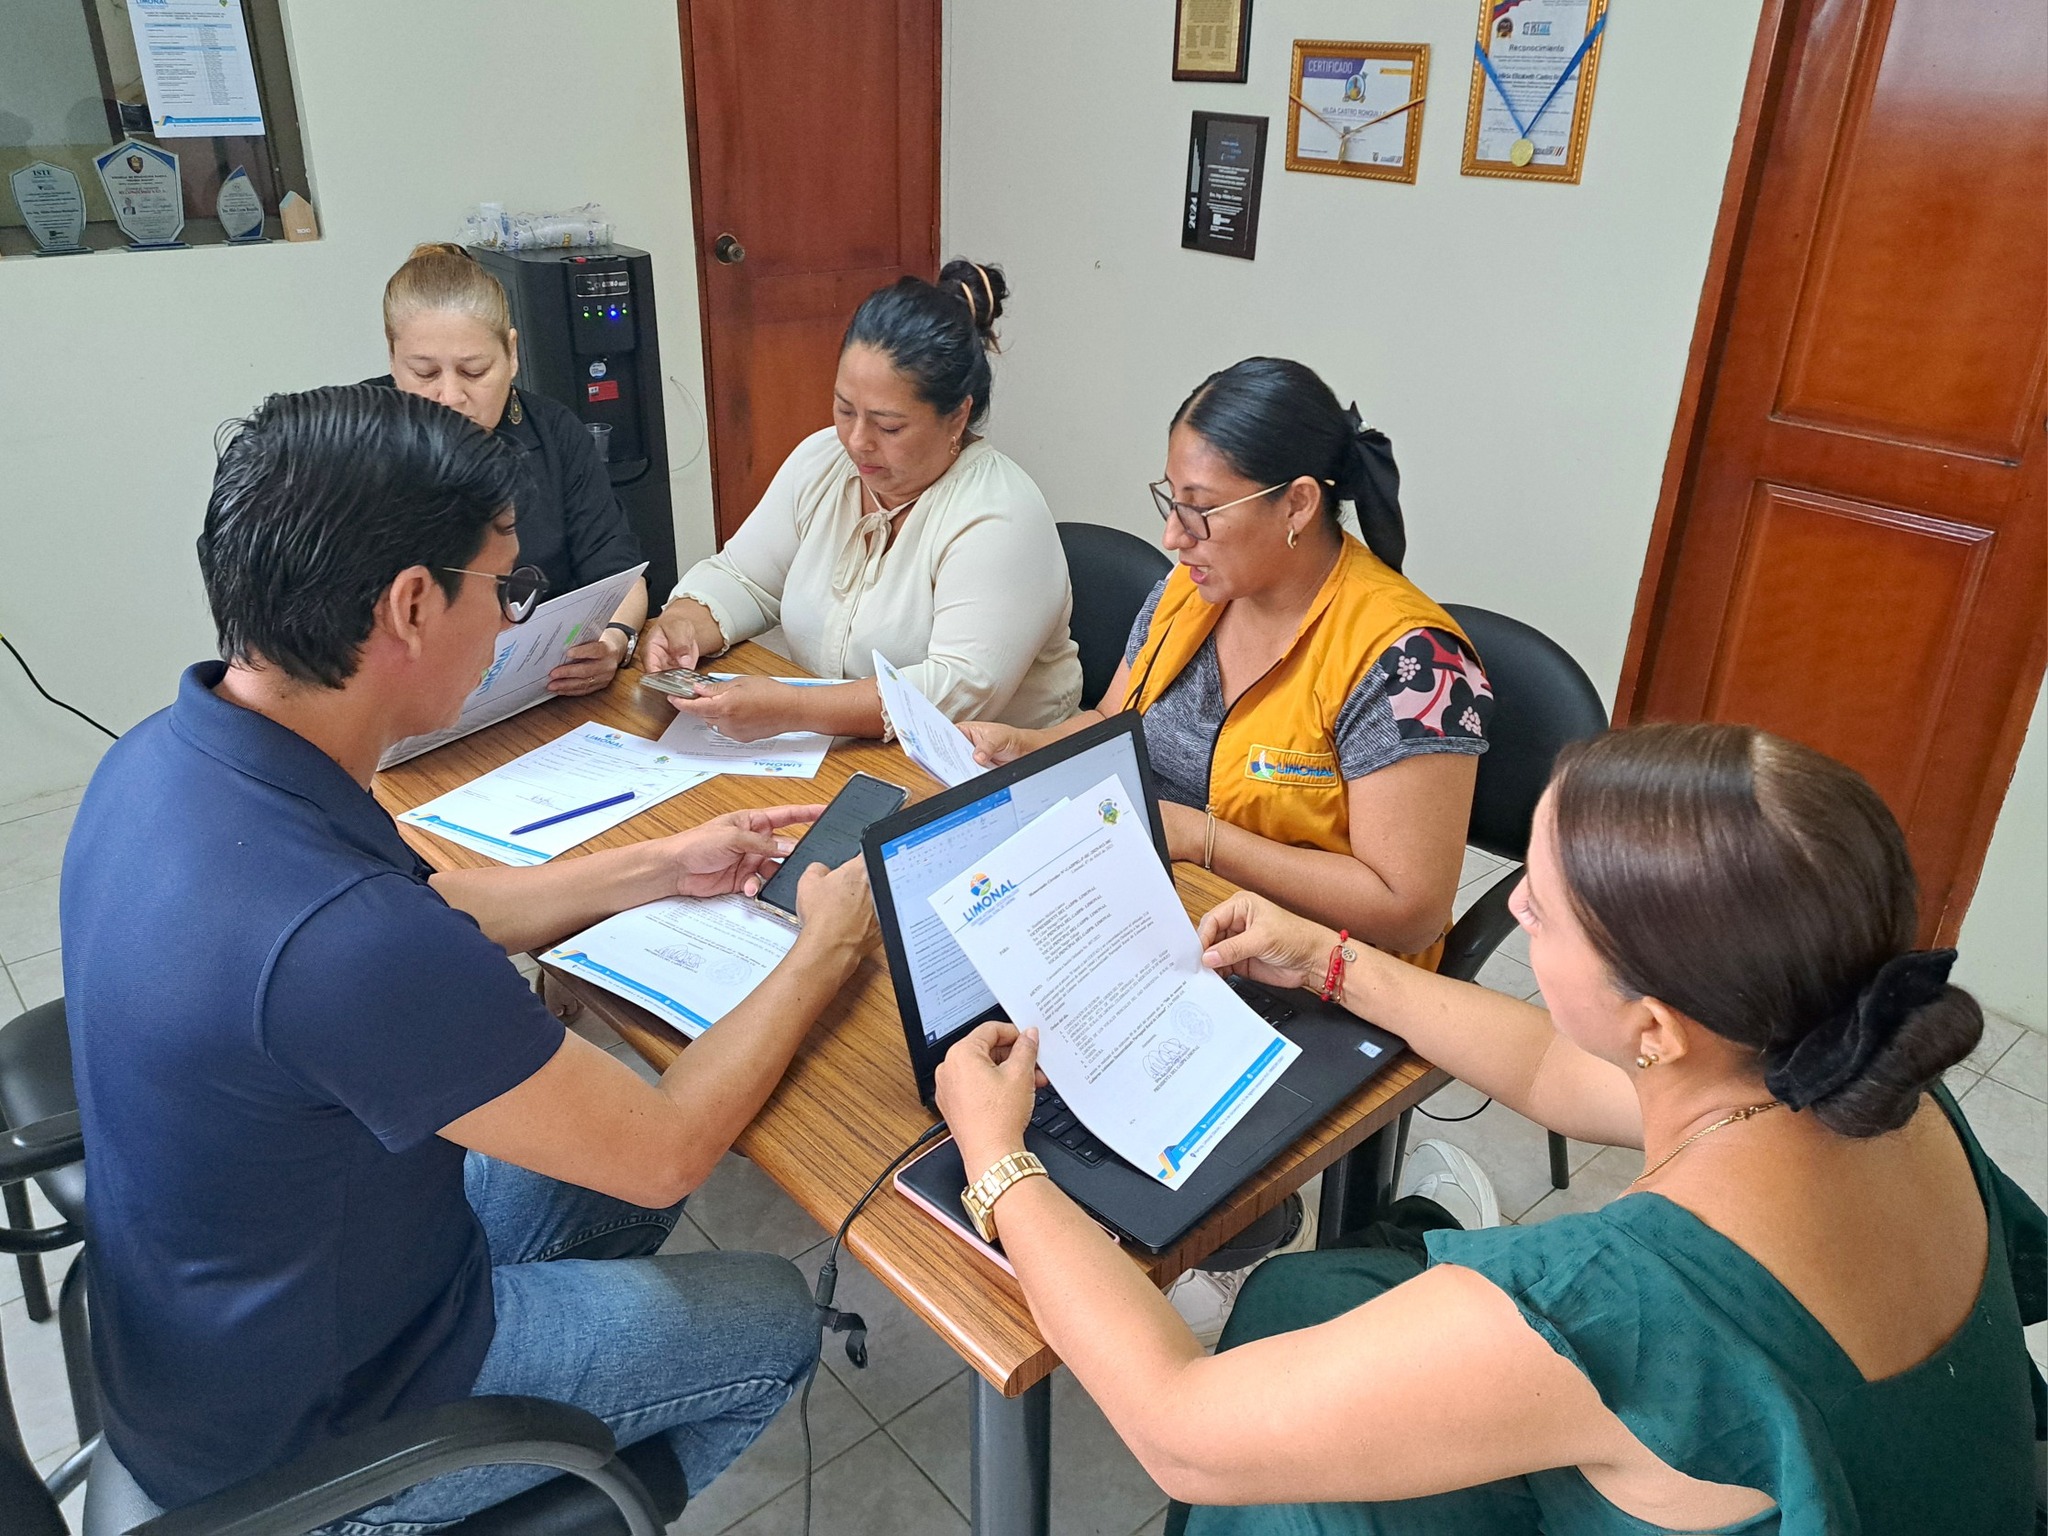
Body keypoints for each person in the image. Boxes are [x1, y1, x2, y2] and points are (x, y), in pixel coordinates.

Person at [62, 385, 879, 1525]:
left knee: (588, 1159)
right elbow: (664, 1155)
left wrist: (660, 865)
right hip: (318, 1436)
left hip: (234, 1325)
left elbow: (435, 902)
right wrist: (822, 950)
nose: (509, 623)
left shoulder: (167, 755)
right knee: (770, 1312)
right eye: (502, 587)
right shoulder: (339, 942)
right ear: (410, 604)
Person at [934, 723, 2043, 1535]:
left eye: (1540, 909)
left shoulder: (1615, 1299)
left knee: (1282, 1476)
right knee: (1304, 1297)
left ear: (1653, 1028)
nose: (1507, 905)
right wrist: (1330, 961)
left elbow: (1182, 1432)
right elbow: (1555, 1066)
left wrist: (997, 1158)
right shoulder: (1860, 1069)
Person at [961, 358, 1488, 967]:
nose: (1173, 536)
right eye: (1171, 498)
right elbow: (1113, 722)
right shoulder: (1192, 588)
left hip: (1321, 971)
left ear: (1297, 504)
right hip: (1168, 911)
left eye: (1201, 509)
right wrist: (1026, 745)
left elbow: (1409, 913)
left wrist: (1201, 838)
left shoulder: (1413, 663)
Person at [641, 259, 1082, 741]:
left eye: (888, 426)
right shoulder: (822, 462)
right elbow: (745, 577)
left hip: (982, 764)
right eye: (844, 409)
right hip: (842, 749)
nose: (856, 441)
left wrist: (795, 708)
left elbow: (955, 690)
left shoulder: (1000, 515)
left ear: (957, 417)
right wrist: (683, 623)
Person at [373, 241, 647, 697]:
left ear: (512, 354)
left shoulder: (555, 432)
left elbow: (618, 573)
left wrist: (614, 642)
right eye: (424, 374)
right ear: (392, 357)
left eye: (474, 371)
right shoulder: (353, 440)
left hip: (540, 686)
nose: (450, 397)